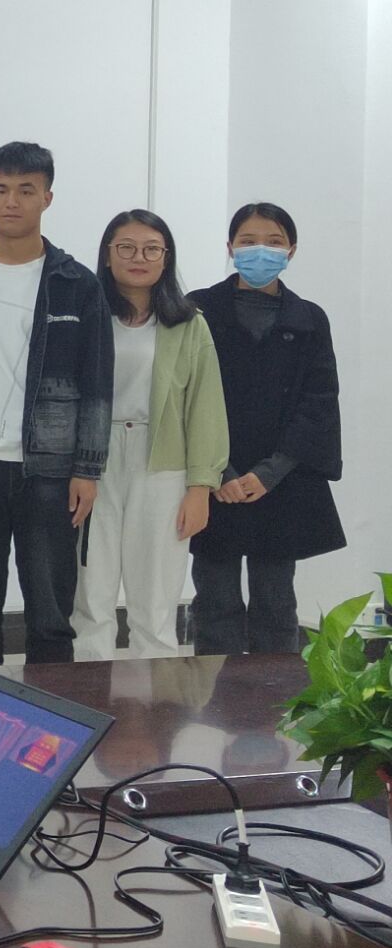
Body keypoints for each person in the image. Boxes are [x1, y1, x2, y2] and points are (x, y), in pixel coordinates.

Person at [0, 142, 112, 666]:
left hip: (51, 471)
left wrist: (87, 469)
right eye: (0, 189)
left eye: (25, 190)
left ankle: (49, 718)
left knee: (50, 616)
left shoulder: (76, 284)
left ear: (47, 197)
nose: (11, 201)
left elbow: (97, 383)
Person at [70, 210, 228, 662]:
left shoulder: (189, 323)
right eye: (126, 247)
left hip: (163, 463)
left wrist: (200, 487)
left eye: (151, 249)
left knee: (156, 598)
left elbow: (205, 409)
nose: (138, 257)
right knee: (91, 592)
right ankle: (91, 695)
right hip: (92, 461)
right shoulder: (86, 316)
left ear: (166, 257)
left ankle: (157, 703)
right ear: (107, 255)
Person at [188, 204, 344, 655]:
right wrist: (219, 472)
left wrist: (268, 473)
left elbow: (319, 401)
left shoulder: (309, 318)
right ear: (230, 248)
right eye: (248, 241)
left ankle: (274, 697)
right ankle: (213, 700)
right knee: (214, 601)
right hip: (213, 479)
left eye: (274, 242)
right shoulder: (197, 309)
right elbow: (184, 395)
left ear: (291, 250)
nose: (261, 251)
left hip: (280, 481)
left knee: (276, 604)